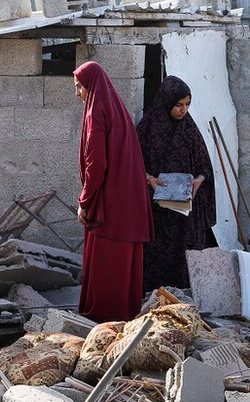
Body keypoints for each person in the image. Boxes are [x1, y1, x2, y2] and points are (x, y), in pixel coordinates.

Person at [73, 61, 153, 322]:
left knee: (107, 267)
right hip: (129, 204)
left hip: (110, 207)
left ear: (91, 85)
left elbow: (97, 164)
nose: (77, 94)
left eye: (79, 87)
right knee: (124, 267)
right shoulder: (116, 108)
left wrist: (84, 201)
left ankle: (102, 321)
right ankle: (123, 317)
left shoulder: (96, 112)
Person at [137, 76, 217, 292]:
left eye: (187, 105)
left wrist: (199, 180)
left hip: (185, 216)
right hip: (157, 215)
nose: (183, 110)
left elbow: (205, 168)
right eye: (178, 105)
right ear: (166, 102)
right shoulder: (147, 129)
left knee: (184, 262)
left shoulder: (189, 130)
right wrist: (149, 179)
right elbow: (131, 165)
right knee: (156, 261)